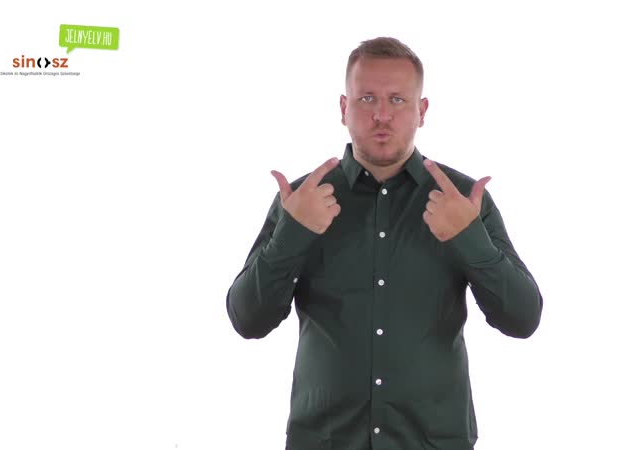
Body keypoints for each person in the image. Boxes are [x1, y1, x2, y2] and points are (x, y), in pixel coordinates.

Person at [226, 36, 543, 450]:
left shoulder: (463, 201)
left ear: (421, 111)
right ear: (343, 108)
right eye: (366, 99)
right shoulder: (302, 200)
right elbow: (248, 320)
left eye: (396, 100)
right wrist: (292, 235)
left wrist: (470, 241)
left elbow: (523, 319)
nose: (381, 115)